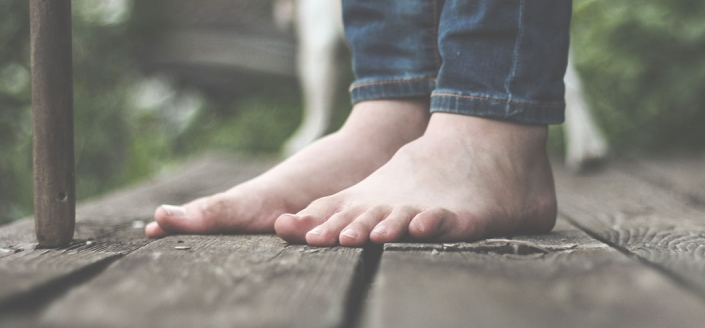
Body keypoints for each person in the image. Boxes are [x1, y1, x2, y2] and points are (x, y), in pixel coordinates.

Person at [146, 0, 572, 247]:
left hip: (500, 105)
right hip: (392, 93)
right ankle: (393, 110)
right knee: (391, 95)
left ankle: (492, 124)